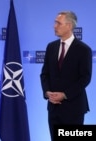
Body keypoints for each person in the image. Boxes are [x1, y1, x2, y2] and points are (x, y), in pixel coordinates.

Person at [40, 11, 92, 141]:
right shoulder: (51, 47)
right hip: (53, 109)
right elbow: (44, 74)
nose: (54, 26)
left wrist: (64, 94)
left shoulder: (83, 50)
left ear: (69, 26)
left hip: (73, 108)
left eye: (58, 23)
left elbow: (85, 78)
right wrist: (47, 92)